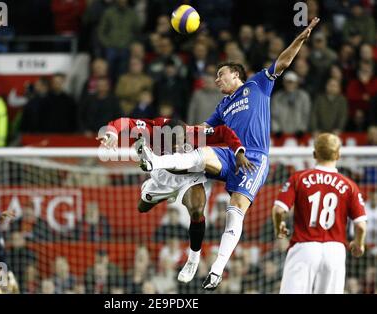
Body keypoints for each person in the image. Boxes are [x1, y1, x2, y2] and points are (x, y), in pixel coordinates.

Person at [137, 18, 320, 290]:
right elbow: (201, 129)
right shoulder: (223, 106)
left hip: (255, 159)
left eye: (220, 74)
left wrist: (300, 38)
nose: (216, 79)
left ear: (236, 74)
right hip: (229, 153)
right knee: (202, 153)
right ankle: (155, 162)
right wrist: (174, 129)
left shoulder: (258, 84)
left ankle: (217, 268)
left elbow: (282, 63)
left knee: (234, 212)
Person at [98, 116, 250, 283]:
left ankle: (193, 259)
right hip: (163, 175)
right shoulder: (152, 130)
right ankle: (160, 192)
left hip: (189, 176)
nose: (178, 147)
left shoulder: (194, 133)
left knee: (197, 210)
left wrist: (238, 151)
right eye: (173, 143)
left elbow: (223, 131)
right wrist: (112, 132)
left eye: (181, 141)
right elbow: (125, 122)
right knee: (142, 207)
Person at [272, 133, 367, 294]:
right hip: (335, 251)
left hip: (304, 247)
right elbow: (361, 226)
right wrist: (359, 244)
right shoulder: (349, 185)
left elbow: (279, 210)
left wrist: (279, 226)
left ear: (314, 153)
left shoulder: (299, 178)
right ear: (338, 155)